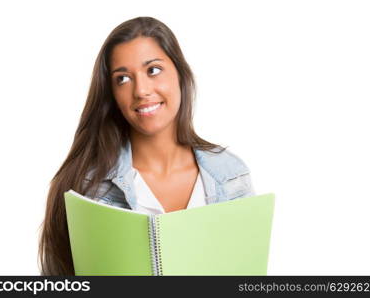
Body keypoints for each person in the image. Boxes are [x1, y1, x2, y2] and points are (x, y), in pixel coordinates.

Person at [38, 16, 255, 276]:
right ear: (112, 94)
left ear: (180, 74)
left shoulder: (230, 174)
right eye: (123, 79)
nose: (141, 90)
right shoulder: (86, 187)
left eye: (153, 70)